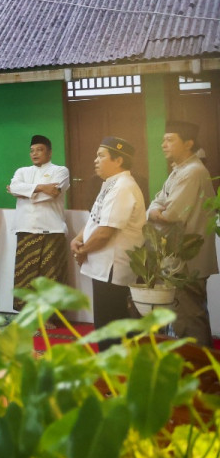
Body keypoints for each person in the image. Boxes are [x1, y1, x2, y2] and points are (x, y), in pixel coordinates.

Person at [146, 120, 217, 345]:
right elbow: (154, 204)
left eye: (170, 140)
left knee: (189, 317)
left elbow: (171, 215)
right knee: (183, 317)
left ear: (188, 143)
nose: (163, 144)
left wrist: (157, 211)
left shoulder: (193, 172)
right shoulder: (179, 171)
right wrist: (156, 210)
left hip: (187, 259)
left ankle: (203, 373)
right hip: (177, 257)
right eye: (163, 140)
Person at [72, 137, 146, 336]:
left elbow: (106, 232)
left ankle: (114, 366)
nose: (95, 160)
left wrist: (82, 251)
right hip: (103, 265)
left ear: (118, 160)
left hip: (112, 268)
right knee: (107, 322)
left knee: (110, 326)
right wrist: (78, 238)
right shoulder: (110, 184)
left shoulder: (123, 187)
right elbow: (96, 219)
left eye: (101, 156)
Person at [7, 134, 71, 310]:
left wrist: (24, 192)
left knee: (51, 275)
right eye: (32, 150)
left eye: (39, 150)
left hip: (52, 229)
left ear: (49, 153)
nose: (34, 153)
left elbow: (55, 193)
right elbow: (14, 187)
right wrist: (42, 187)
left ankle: (50, 316)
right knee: (25, 275)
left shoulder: (61, 171)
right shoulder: (22, 171)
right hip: (26, 228)